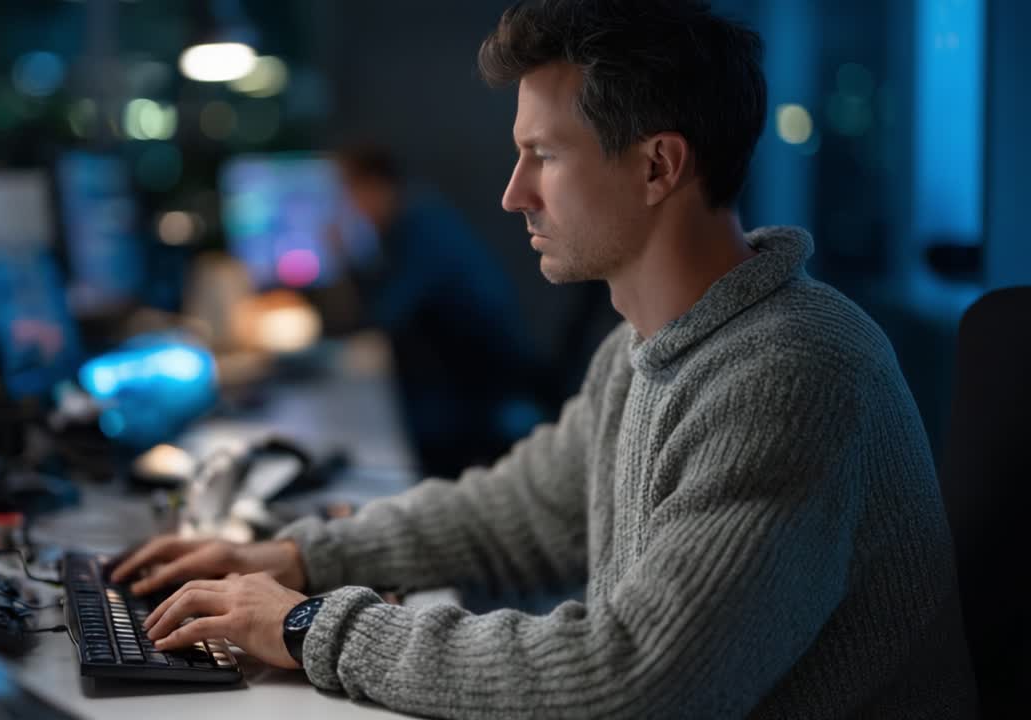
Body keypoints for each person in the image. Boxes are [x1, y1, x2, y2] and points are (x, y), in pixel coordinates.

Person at [110, 1, 977, 716]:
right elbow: (516, 511)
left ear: (657, 166)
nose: (512, 192)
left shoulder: (795, 371)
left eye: (543, 156)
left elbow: (635, 677)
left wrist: (308, 629)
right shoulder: (645, 352)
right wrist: (302, 561)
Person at [330, 142, 547, 478]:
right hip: (465, 378)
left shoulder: (421, 228)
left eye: (349, 192)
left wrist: (347, 258)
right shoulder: (413, 218)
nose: (349, 206)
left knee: (395, 438)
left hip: (483, 387)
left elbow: (388, 314)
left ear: (373, 185)